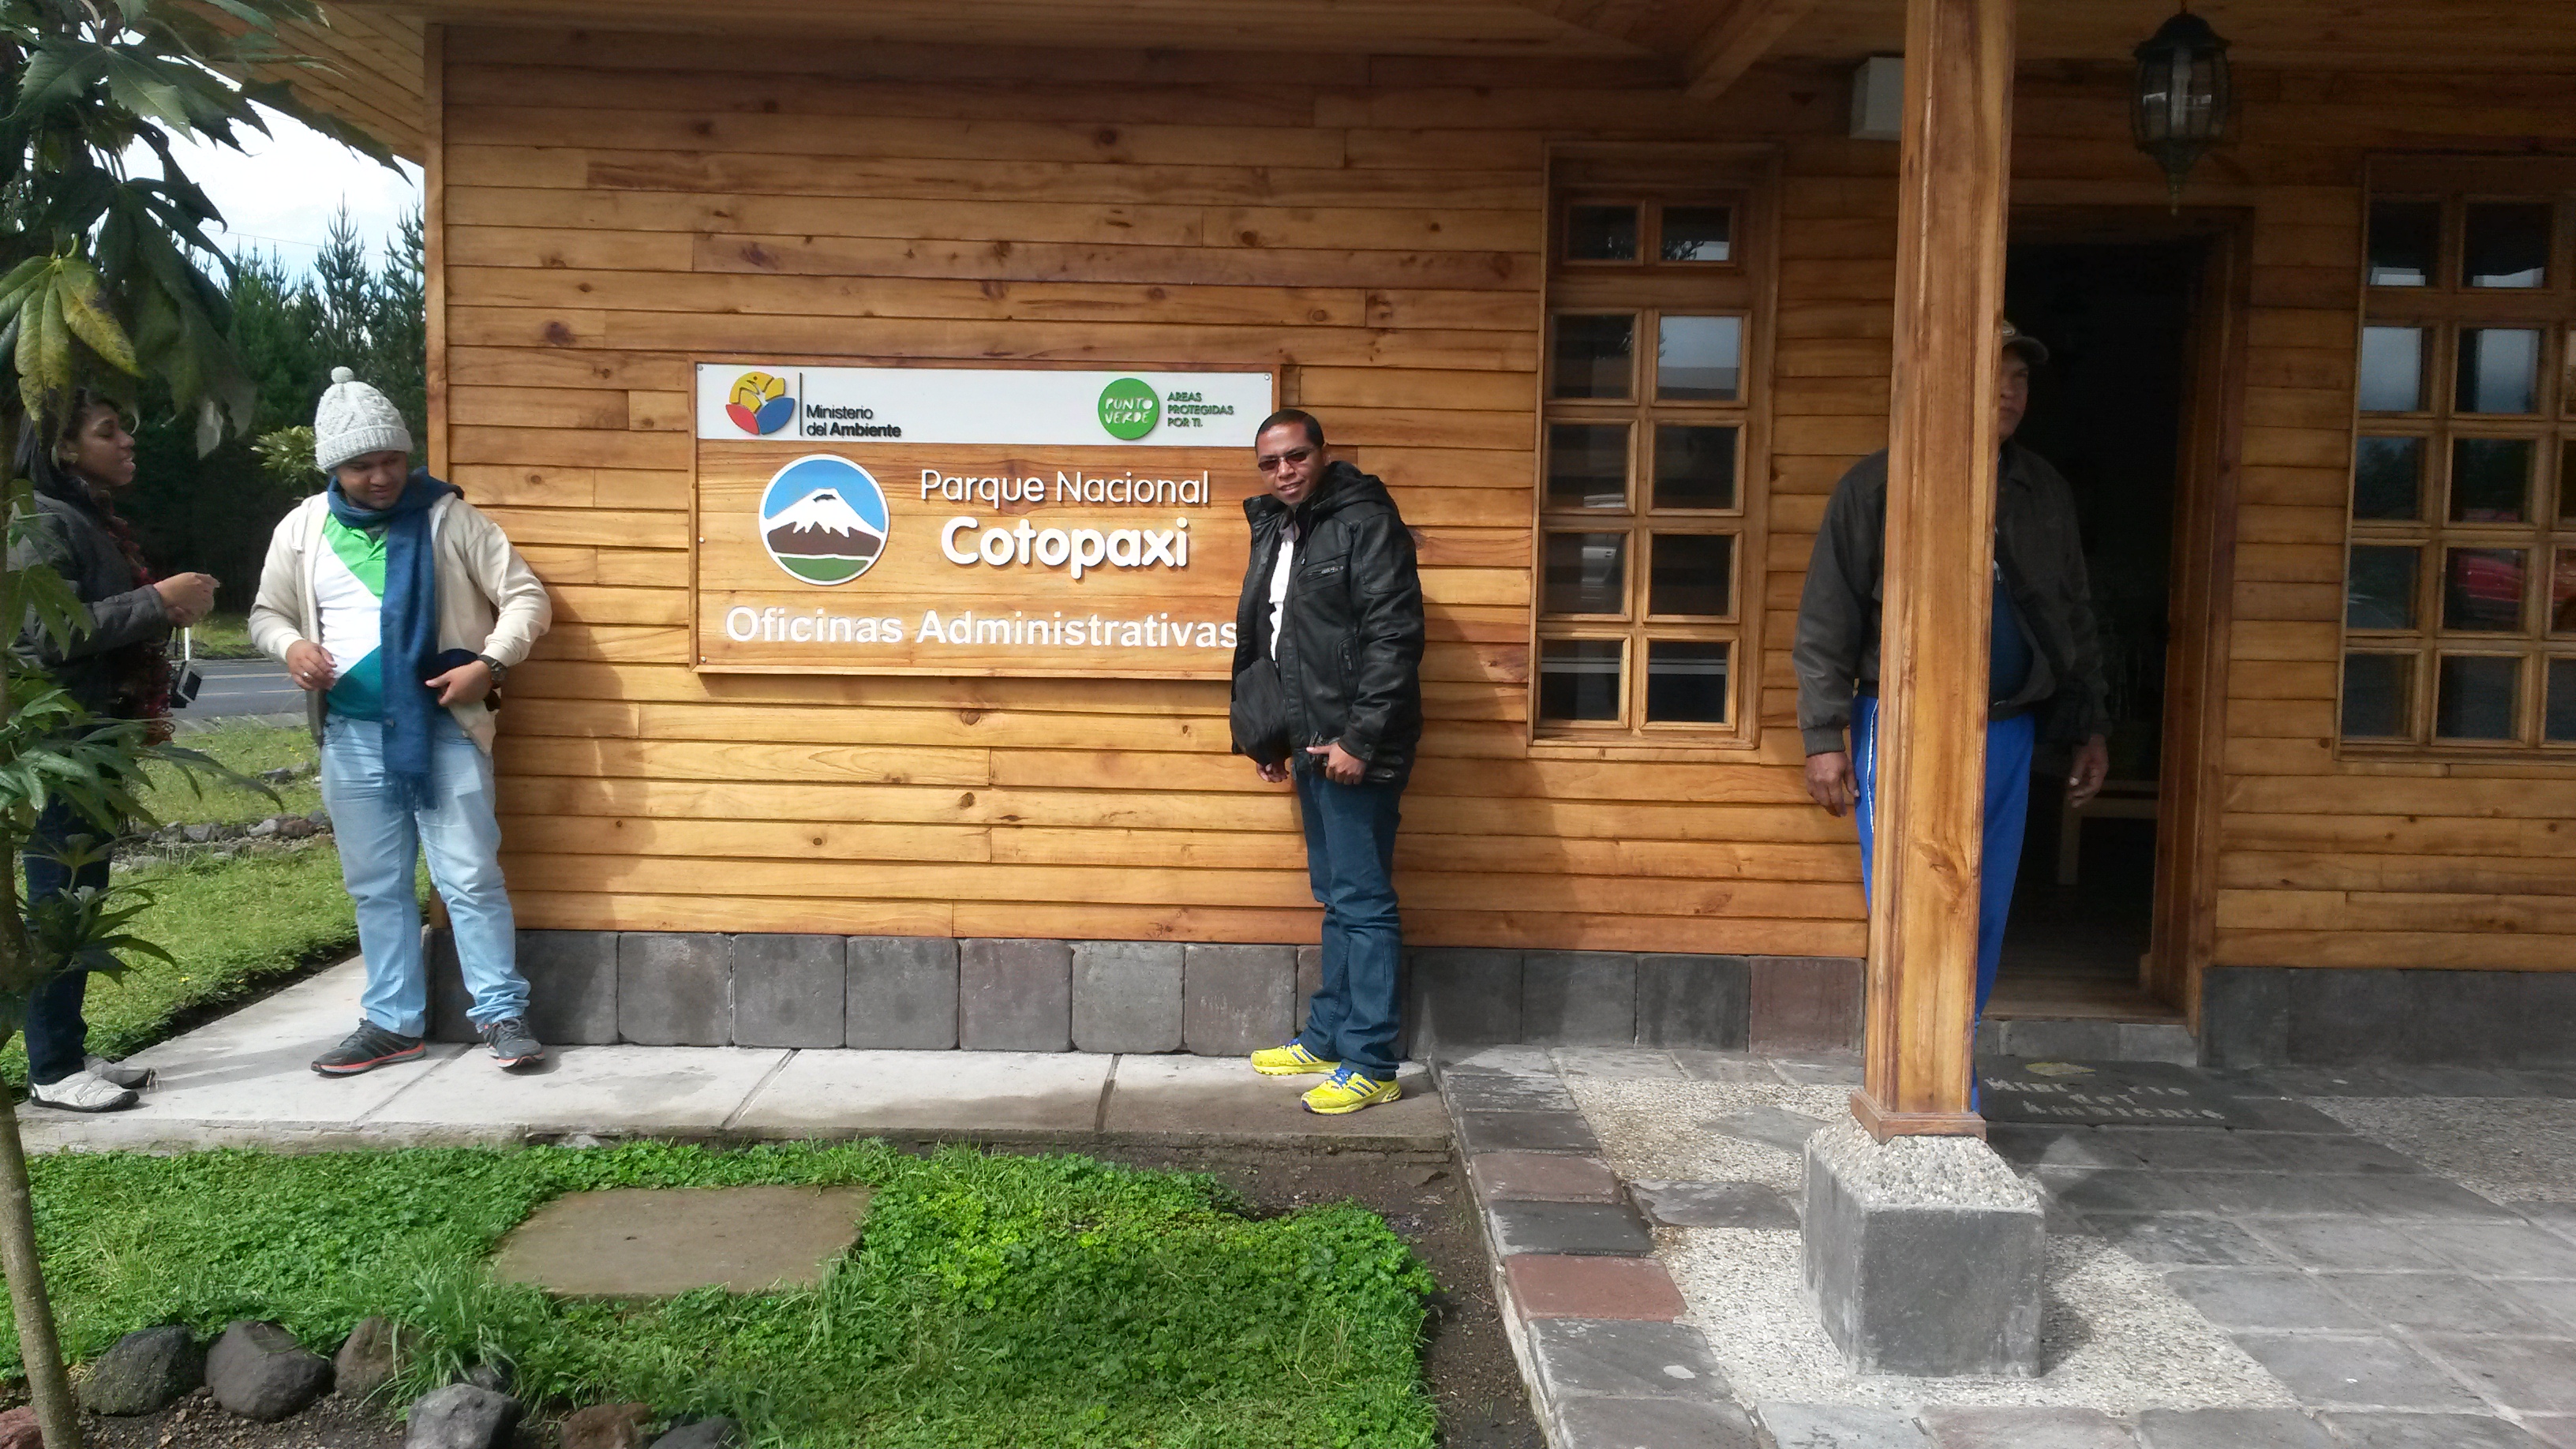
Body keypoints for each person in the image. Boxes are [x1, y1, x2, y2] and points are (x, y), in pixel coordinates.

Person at [1794, 324, 2111, 1053]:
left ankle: (1953, 1064)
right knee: (1909, 898)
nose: (2009, 391)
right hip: (1901, 723)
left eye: (2019, 379)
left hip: (2007, 728)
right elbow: (1825, 622)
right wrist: (1822, 738)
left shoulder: (2043, 491)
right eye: (1993, 375)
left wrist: (2091, 725)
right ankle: (1907, 1070)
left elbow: (2076, 618)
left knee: (1985, 907)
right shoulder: (1877, 487)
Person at [250, 368, 552, 1076]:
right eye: (362, 465)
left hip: (444, 729)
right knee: (376, 886)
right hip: (351, 736)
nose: (382, 477)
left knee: (469, 877)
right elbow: (267, 613)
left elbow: (526, 598)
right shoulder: (303, 529)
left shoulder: (449, 519)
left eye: (391, 460)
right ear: (334, 468)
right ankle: (392, 1023)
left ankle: (501, 1014)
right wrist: (290, 647)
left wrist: (490, 664)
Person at [9, 394, 219, 1112]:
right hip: (58, 746)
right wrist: (157, 601)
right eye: (109, 431)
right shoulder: (39, 520)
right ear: (64, 448)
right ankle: (52, 1070)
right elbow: (51, 634)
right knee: (60, 901)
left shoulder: (84, 516)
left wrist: (160, 609)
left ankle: (66, 1052)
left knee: (81, 897)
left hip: (92, 739)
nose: (128, 440)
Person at [1232, 409, 1425, 1115]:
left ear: (1321, 453)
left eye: (1295, 456)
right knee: (1338, 897)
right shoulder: (1280, 530)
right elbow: (1272, 641)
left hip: (1354, 750)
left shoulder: (1365, 523)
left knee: (1364, 904)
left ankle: (1372, 1062)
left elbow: (1394, 636)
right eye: (1270, 462)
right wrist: (1269, 736)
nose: (1284, 471)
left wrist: (1359, 740)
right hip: (1312, 743)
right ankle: (1327, 1038)